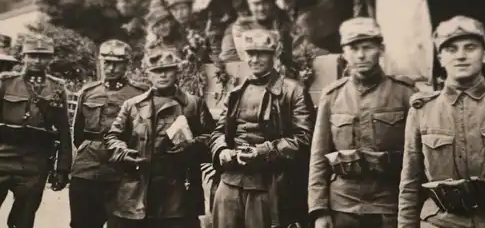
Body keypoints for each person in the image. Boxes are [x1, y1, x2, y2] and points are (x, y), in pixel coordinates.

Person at [308, 17, 417, 228]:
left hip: (389, 206)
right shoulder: (332, 96)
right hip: (343, 207)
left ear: (381, 49)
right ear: (344, 53)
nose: (360, 55)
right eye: (354, 48)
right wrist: (319, 210)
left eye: (367, 47)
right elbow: (318, 156)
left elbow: (417, 158)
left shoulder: (405, 93)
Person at [398, 15, 485, 228]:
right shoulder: (422, 109)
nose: (461, 56)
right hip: (439, 223)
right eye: (451, 50)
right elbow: (410, 183)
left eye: (470, 47)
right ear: (441, 58)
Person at [210, 28, 315, 228]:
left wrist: (262, 151)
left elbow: (304, 138)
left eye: (262, 54)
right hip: (229, 184)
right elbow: (218, 132)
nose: (255, 59)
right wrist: (222, 151)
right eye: (250, 53)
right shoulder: (235, 93)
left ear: (274, 55)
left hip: (268, 186)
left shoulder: (294, 92)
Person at [104, 47, 215, 228]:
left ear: (177, 72)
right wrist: (124, 153)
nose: (162, 75)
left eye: (167, 70)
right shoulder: (132, 106)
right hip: (139, 188)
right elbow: (112, 137)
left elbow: (211, 137)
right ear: (148, 74)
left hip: (179, 193)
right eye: (156, 71)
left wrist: (192, 146)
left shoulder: (193, 104)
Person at [70, 39, 148, 228]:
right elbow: (78, 134)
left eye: (117, 63)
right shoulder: (88, 92)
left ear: (127, 65)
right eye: (107, 62)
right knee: (82, 223)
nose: (111, 68)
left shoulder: (140, 94)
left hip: (122, 172)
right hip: (87, 169)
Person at [0, 34, 72, 228]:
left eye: (43, 56)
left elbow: (64, 131)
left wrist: (63, 168)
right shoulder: (6, 83)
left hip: (35, 162)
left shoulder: (56, 88)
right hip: (2, 157)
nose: (37, 60)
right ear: (23, 56)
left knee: (23, 219)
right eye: (32, 55)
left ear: (50, 59)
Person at [219, 0, 292, 64]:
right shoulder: (237, 28)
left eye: (265, 3)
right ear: (249, 5)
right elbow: (229, 59)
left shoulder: (281, 22)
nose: (261, 8)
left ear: (271, 3)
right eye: (256, 4)